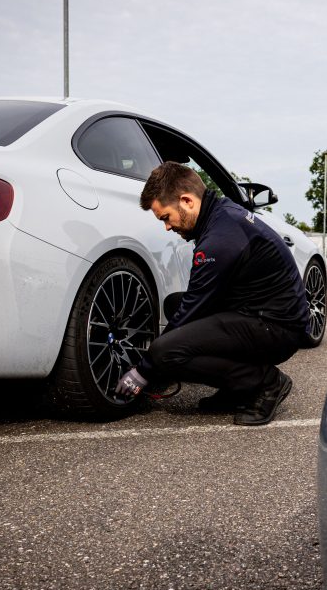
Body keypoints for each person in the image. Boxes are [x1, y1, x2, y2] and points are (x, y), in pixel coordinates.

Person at [115, 162, 310, 426]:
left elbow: (193, 310)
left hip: (277, 328)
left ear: (187, 201)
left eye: (166, 217)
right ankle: (236, 387)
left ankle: (266, 383)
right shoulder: (221, 216)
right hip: (259, 314)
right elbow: (192, 306)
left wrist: (145, 369)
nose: (167, 227)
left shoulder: (220, 238)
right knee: (174, 305)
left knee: (164, 353)